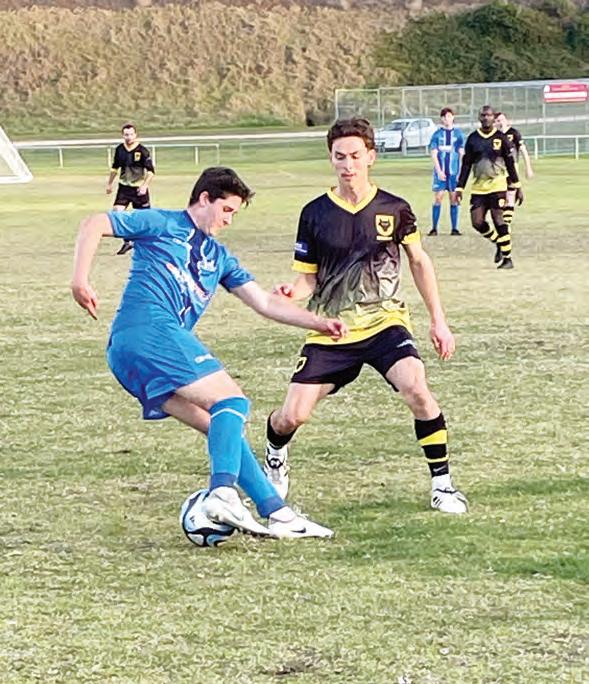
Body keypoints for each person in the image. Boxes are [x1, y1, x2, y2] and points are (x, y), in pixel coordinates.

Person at [72, 166, 348, 539]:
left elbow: (265, 303)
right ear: (205, 199)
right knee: (232, 401)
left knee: (221, 427)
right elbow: (94, 223)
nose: (229, 220)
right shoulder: (162, 223)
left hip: (130, 355)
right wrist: (80, 280)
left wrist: (318, 323)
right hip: (147, 332)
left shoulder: (219, 258)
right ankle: (222, 494)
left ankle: (279, 513)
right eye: (227, 209)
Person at [263, 117, 468, 515]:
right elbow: (308, 278)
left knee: (417, 389)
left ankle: (442, 485)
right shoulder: (315, 213)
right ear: (331, 159)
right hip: (332, 329)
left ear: (371, 157)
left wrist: (438, 320)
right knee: (293, 416)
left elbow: (419, 262)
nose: (348, 165)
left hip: (385, 323)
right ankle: (275, 453)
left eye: (355, 156)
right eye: (340, 157)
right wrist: (292, 291)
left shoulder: (395, 208)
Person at [456, 105, 523, 270]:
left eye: (489, 115)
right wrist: (459, 188)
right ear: (479, 118)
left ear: (494, 118)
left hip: (498, 186)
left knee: (498, 220)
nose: (486, 118)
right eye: (483, 115)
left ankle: (508, 259)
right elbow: (466, 164)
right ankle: (499, 242)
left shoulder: (501, 138)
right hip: (479, 188)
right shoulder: (473, 139)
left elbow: (510, 163)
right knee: (477, 222)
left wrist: (517, 186)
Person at [106, 123, 155, 256]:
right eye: (126, 134)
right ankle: (128, 241)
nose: (129, 137)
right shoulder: (120, 150)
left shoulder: (143, 151)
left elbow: (151, 171)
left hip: (139, 189)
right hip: (124, 188)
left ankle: (148, 244)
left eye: (131, 134)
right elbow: (114, 168)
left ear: (135, 135)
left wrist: (144, 185)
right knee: (117, 213)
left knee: (145, 218)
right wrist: (109, 184)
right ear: (123, 135)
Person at [427, 107, 465, 236]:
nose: (446, 119)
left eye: (449, 116)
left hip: (453, 173)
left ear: (453, 117)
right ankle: (434, 228)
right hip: (441, 173)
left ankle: (454, 229)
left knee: (454, 199)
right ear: (441, 119)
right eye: (444, 117)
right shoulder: (437, 135)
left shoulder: (458, 134)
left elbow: (461, 154)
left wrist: (460, 172)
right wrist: (439, 171)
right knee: (438, 198)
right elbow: (433, 154)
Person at [494, 112, 534, 229]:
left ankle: (507, 224)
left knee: (510, 195)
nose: (500, 122)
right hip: (498, 170)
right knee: (500, 197)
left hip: (512, 168)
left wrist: (528, 168)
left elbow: (523, 151)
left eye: (502, 120)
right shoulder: (494, 135)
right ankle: (502, 221)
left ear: (506, 121)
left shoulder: (514, 133)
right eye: (498, 121)